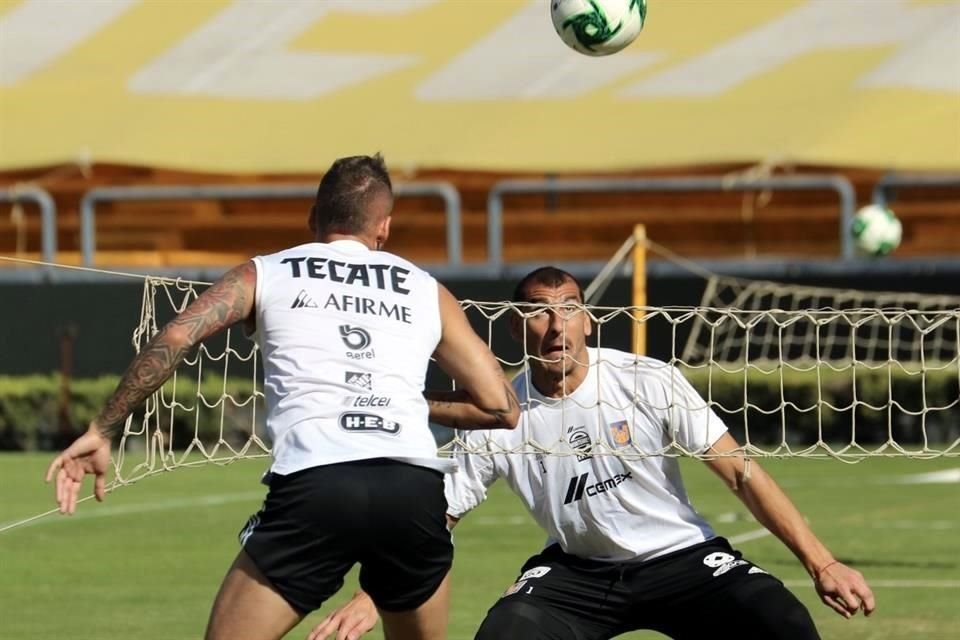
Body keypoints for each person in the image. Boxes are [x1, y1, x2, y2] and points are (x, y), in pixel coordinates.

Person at [45, 154, 520, 640]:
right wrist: (400, 400)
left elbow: (175, 338)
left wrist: (103, 428)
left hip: (318, 483)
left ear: (314, 218)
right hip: (412, 488)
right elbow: (502, 407)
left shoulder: (266, 272)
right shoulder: (426, 289)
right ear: (385, 228)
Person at [310, 266, 875, 640]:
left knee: (778, 620)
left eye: (569, 309)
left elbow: (741, 473)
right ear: (515, 327)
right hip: (576, 575)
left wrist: (821, 563)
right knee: (507, 634)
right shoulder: (497, 413)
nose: (556, 327)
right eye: (539, 311)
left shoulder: (647, 379)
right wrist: (372, 597)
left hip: (682, 560)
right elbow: (439, 519)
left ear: (588, 319)